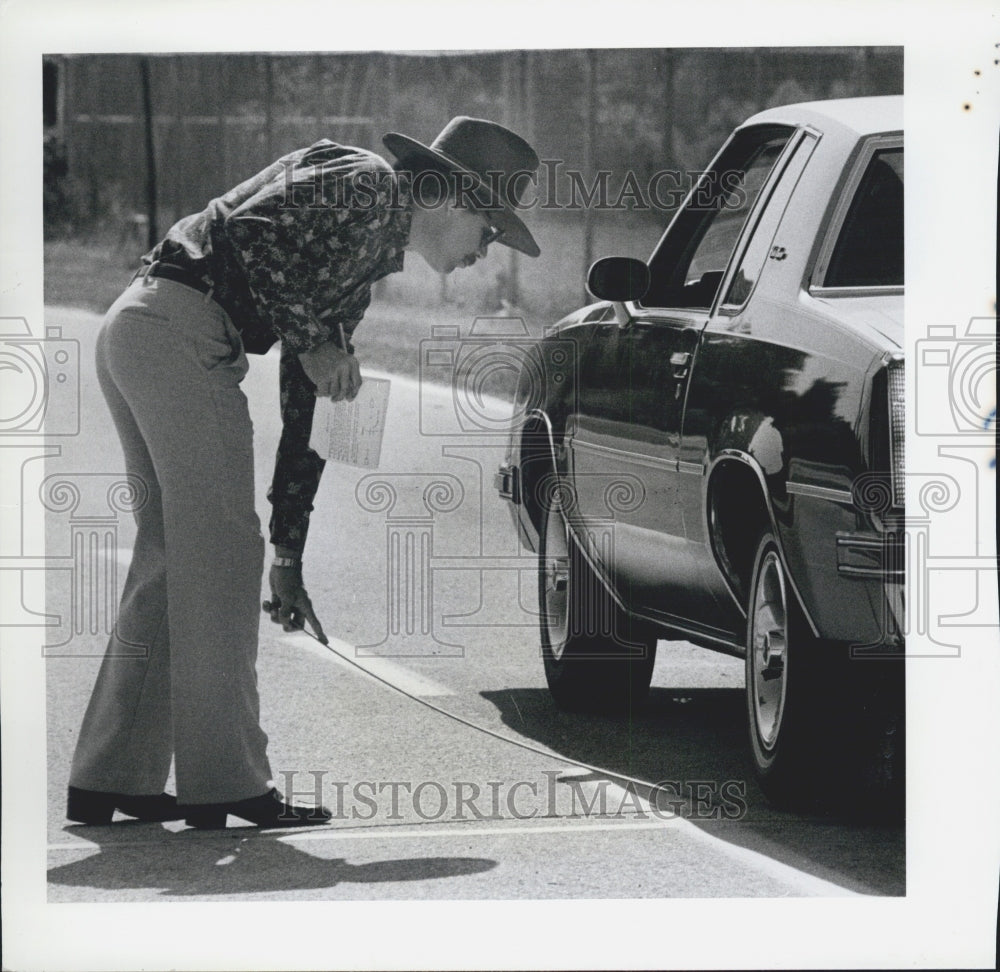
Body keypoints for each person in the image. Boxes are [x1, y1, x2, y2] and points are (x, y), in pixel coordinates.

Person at [66, 116, 541, 829]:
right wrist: (317, 339)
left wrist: (290, 552)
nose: (486, 254)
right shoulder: (370, 183)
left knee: (175, 555)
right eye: (490, 231)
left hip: (145, 329)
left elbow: (310, 411)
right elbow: (253, 233)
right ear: (454, 199)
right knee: (222, 555)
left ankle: (111, 777)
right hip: (177, 335)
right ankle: (226, 784)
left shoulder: (367, 262)